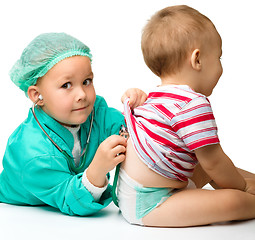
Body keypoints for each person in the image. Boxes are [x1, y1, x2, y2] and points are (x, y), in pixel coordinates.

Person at [116, 5, 255, 227]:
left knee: (208, 167)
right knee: (233, 200)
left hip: (136, 191)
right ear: (197, 60)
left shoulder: (158, 97)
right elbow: (214, 162)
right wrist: (242, 188)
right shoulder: (191, 104)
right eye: (219, 57)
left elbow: (210, 165)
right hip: (153, 202)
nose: (221, 67)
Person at [0, 32, 147, 216]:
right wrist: (97, 170)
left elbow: (128, 129)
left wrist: (138, 109)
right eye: (66, 85)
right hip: (22, 212)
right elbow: (69, 200)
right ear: (37, 95)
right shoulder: (32, 152)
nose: (82, 95)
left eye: (86, 81)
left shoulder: (94, 112)